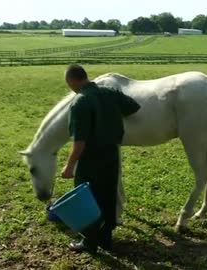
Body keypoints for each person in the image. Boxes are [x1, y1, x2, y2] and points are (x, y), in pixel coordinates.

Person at [60, 64, 140, 254]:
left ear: (72, 81)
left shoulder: (80, 102)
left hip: (90, 159)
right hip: (111, 154)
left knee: (87, 198)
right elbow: (133, 107)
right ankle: (106, 238)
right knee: (108, 195)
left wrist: (69, 166)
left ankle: (89, 242)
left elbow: (79, 143)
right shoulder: (110, 93)